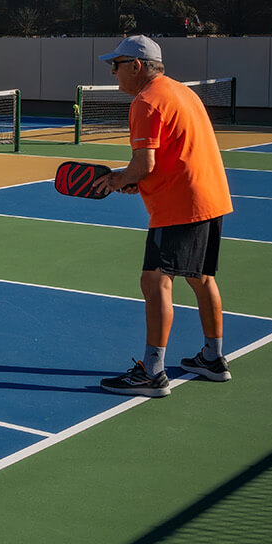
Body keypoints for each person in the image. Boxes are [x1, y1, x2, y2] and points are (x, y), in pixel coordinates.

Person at [92, 35, 234, 397]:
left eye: (117, 65)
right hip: (211, 197)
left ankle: (152, 372)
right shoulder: (183, 93)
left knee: (155, 281)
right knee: (201, 277)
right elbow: (173, 154)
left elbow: (144, 163)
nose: (113, 72)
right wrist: (137, 182)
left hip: (179, 207)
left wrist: (118, 179)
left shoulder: (146, 102)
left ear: (136, 66)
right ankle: (213, 359)